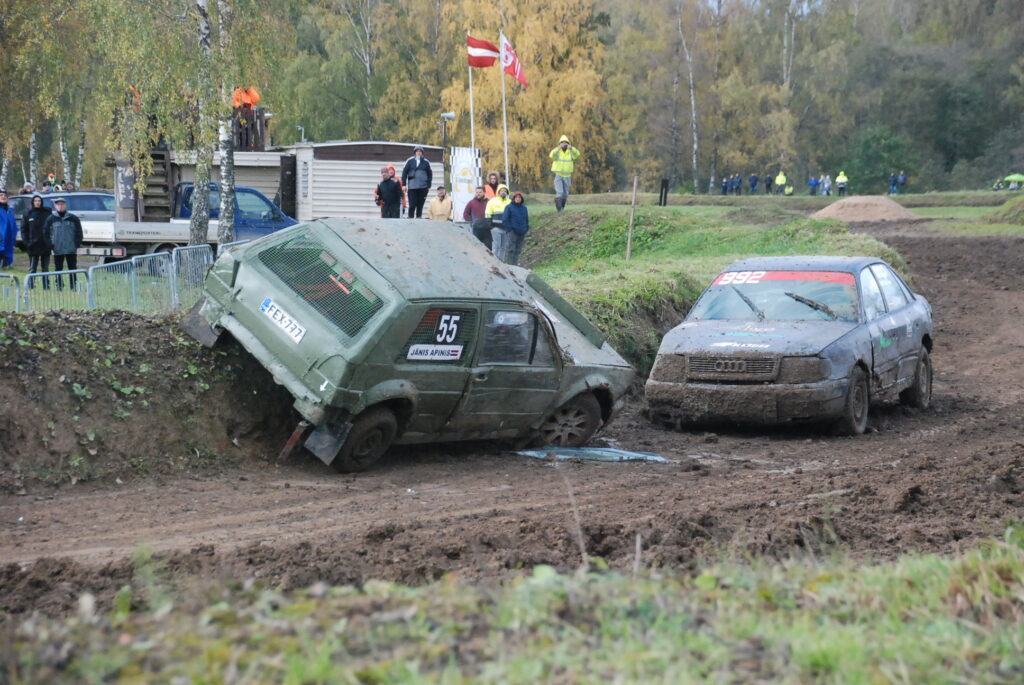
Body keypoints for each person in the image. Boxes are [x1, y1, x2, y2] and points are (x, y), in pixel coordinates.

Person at [44, 197, 83, 289]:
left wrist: (76, 244)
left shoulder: (73, 218)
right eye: (58, 204)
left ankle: (73, 285)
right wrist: (50, 245)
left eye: (62, 204)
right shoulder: (50, 219)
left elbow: (79, 232)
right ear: (55, 206)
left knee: (72, 268)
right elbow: (45, 233)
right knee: (58, 268)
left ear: (65, 205)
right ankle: (59, 286)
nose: (60, 206)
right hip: (57, 248)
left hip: (71, 248)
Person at [22, 194, 52, 288]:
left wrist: (50, 242)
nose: (37, 202)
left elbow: (51, 227)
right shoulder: (28, 213)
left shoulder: (47, 212)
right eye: (35, 201)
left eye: (39, 201)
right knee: (33, 268)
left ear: (41, 202)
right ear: (33, 202)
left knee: (45, 268)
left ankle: (46, 286)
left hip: (45, 244)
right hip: (33, 245)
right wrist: (26, 242)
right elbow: (24, 229)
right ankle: (31, 285)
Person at [549, 134, 580, 211]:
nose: (564, 144)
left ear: (568, 143)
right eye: (562, 142)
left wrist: (572, 148)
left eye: (565, 142)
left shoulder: (571, 151)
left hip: (567, 175)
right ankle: (559, 210)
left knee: (565, 193)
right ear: (559, 144)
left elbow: (577, 154)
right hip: (558, 175)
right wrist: (557, 149)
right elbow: (551, 155)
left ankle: (562, 208)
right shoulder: (557, 151)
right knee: (559, 192)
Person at [401, 146, 432, 218]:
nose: (419, 152)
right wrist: (403, 184)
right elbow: (404, 173)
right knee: (412, 204)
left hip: (423, 187)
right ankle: (410, 218)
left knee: (420, 204)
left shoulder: (426, 162)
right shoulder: (409, 161)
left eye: (420, 151)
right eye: (417, 151)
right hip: (412, 187)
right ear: (415, 152)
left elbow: (430, 174)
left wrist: (428, 185)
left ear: (422, 153)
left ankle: (418, 218)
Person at [500, 191, 529, 265]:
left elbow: (526, 219)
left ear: (521, 199)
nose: (518, 199)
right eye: (516, 197)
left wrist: (526, 228)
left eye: (519, 197)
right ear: (513, 198)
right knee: (511, 249)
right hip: (512, 232)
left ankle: (515, 265)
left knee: (518, 250)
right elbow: (505, 219)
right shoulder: (509, 207)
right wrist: (510, 229)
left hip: (522, 231)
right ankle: (510, 265)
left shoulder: (524, 208)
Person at [0, 188, 17, 269]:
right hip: (1, 242)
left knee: (6, 269)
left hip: (8, 243)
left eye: (5, 195)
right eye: (1, 195)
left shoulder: (10, 211)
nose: (3, 197)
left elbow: (13, 226)